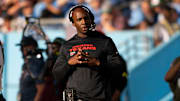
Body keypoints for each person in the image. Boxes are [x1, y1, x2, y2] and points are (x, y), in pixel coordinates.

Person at [52, 5, 127, 101]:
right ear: (74, 23)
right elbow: (56, 75)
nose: (83, 22)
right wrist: (70, 63)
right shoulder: (67, 46)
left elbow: (119, 67)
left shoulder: (105, 41)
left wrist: (97, 63)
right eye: (79, 19)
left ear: (91, 19)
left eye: (86, 18)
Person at [17, 36, 45, 101]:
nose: (23, 50)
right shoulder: (26, 65)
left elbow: (41, 87)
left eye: (25, 48)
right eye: (23, 48)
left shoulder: (35, 63)